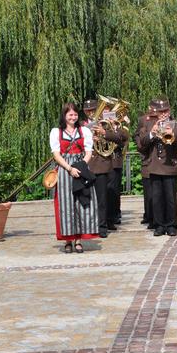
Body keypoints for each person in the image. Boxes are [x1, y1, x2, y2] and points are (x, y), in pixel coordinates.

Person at [49, 102, 99, 253]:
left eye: (75, 114)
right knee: (66, 205)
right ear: (64, 116)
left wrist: (81, 166)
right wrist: (70, 168)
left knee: (82, 202)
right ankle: (68, 241)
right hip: (65, 170)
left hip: (81, 167)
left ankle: (79, 240)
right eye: (70, 114)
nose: (73, 117)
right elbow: (56, 155)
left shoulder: (84, 131)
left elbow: (89, 152)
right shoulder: (56, 132)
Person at [137, 97, 177, 237]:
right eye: (161, 111)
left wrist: (173, 134)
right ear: (156, 112)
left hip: (170, 166)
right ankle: (159, 225)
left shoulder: (176, 124)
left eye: (166, 111)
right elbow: (142, 143)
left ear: (169, 111)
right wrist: (153, 132)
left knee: (170, 198)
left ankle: (171, 225)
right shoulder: (149, 124)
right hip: (155, 166)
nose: (163, 114)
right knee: (156, 198)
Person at [83, 99, 126, 238]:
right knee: (87, 198)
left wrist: (104, 133)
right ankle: (89, 225)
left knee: (103, 198)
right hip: (87, 164)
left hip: (102, 164)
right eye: (88, 110)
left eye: (93, 110)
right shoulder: (81, 126)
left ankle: (102, 226)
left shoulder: (105, 124)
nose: (91, 113)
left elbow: (120, 138)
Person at [107, 114, 129, 228]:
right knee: (105, 191)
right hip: (104, 162)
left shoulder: (121, 129)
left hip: (115, 162)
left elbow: (123, 141)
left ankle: (114, 215)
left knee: (114, 190)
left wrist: (115, 127)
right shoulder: (101, 126)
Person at [135, 107, 155, 229]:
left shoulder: (167, 119)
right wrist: (140, 145)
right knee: (149, 193)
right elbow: (137, 134)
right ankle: (149, 216)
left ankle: (156, 218)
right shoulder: (143, 119)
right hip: (147, 159)